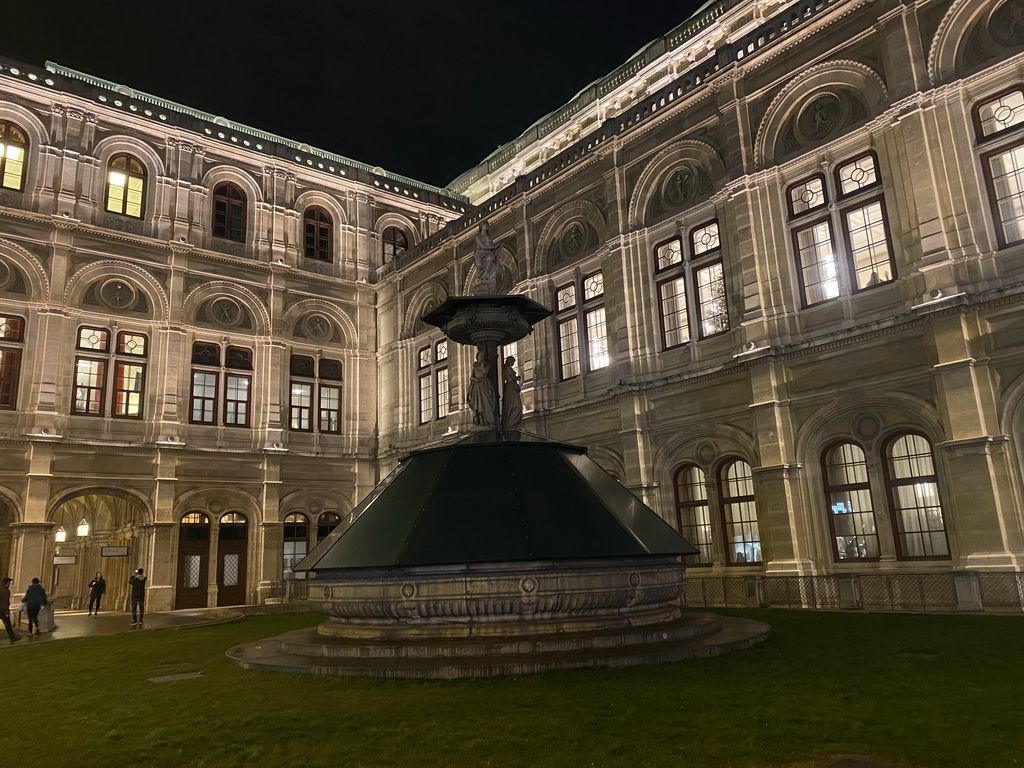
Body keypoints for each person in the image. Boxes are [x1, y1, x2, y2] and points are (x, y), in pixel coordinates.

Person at [467, 350, 497, 427]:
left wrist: (483, 365)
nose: (481, 357)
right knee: (477, 404)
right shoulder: (475, 365)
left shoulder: (486, 364)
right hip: (476, 386)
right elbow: (472, 377)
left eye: (483, 356)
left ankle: (487, 420)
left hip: (484, 384)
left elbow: (485, 373)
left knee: (486, 402)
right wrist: (474, 380)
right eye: (480, 356)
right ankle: (479, 420)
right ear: (477, 356)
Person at [472, 221, 499, 295]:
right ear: (481, 226)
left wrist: (494, 248)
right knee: (481, 263)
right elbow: (482, 246)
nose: (486, 226)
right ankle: (482, 277)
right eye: (484, 225)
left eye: (487, 225)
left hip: (489, 252)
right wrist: (493, 247)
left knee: (490, 258)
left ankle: (485, 276)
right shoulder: (478, 236)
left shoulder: (489, 237)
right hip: (481, 253)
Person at [501, 356, 523, 430]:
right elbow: (513, 378)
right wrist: (517, 378)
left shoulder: (508, 369)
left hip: (512, 388)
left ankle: (512, 423)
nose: (513, 363)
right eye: (513, 362)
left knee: (517, 407)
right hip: (511, 389)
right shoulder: (507, 369)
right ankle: (510, 424)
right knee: (515, 407)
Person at [1, 576, 20, 643]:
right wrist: (7, 612)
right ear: (7, 583)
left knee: (7, 624)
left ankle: (12, 636)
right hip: (3, 610)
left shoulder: (1, 589)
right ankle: (12, 637)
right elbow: (5, 602)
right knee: (8, 624)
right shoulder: (6, 591)